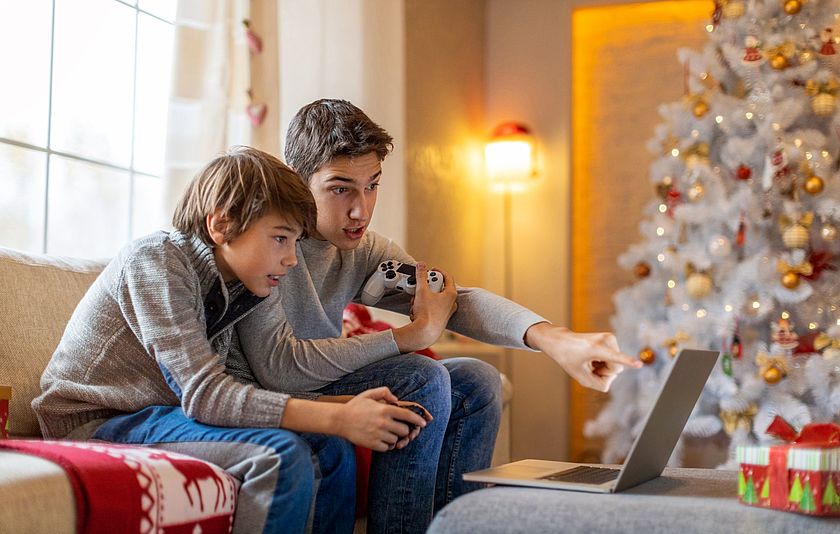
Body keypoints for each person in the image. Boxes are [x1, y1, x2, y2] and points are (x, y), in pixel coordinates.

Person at [252, 99, 642, 533]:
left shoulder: (363, 251)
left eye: (373, 185)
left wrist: (554, 338)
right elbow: (277, 366)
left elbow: (451, 298)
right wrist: (416, 335)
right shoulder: (268, 243)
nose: (361, 209)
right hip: (279, 384)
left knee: (478, 381)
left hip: (324, 377)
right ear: (297, 181)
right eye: (341, 188)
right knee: (422, 376)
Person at [31, 147, 431, 534]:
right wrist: (338, 417)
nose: (292, 259)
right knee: (280, 457)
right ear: (221, 226)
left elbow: (236, 390)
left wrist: (337, 405)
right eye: (280, 238)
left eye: (295, 242)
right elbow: (205, 394)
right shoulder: (156, 263)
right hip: (100, 419)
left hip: (163, 413)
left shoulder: (239, 287)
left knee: (331, 447)